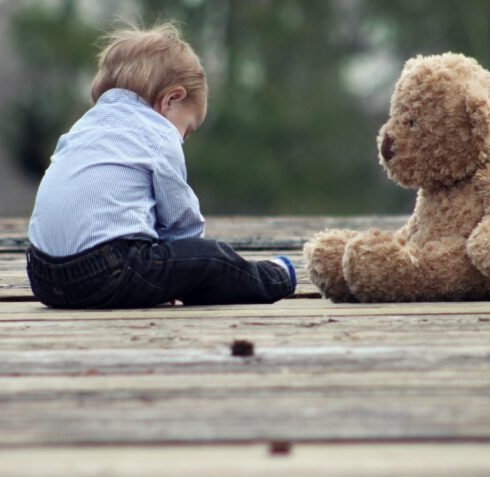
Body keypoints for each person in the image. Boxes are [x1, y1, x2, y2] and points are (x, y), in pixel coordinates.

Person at [26, 22, 296, 308]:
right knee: (213, 258)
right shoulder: (157, 133)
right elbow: (181, 223)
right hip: (107, 273)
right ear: (171, 99)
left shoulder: (82, 127)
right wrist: (188, 264)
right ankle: (276, 276)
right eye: (187, 130)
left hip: (42, 276)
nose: (182, 139)